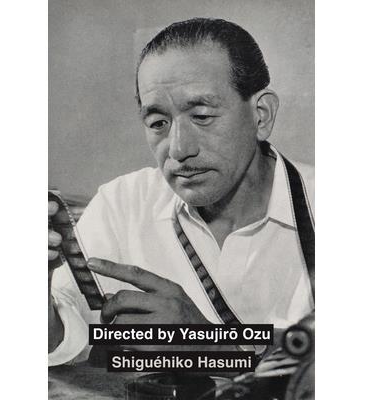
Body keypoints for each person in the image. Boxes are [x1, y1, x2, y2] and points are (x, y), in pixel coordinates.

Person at [48, 18, 314, 366]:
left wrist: (210, 345)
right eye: (158, 123)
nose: (178, 149)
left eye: (202, 116)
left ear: (261, 116)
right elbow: (64, 340)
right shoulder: (123, 203)